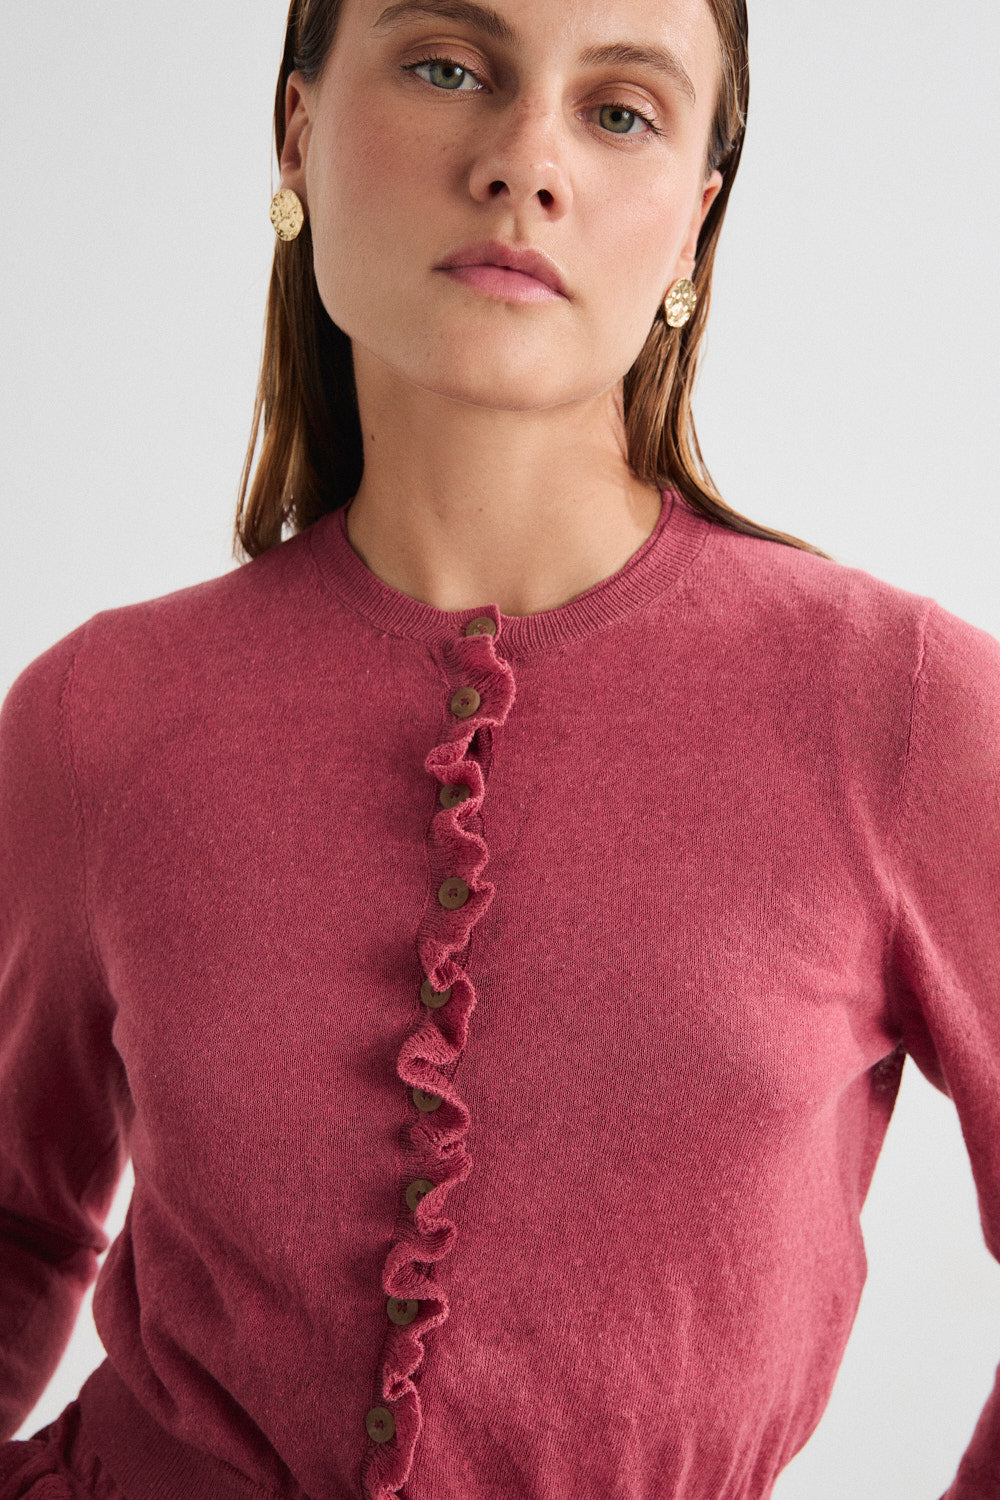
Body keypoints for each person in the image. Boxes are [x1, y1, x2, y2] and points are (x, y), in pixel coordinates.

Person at [1, 0, 998, 1497]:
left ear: (694, 222)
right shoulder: (102, 713)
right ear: (296, 133)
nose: (526, 162)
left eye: (620, 111)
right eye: (448, 67)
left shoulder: (902, 711)